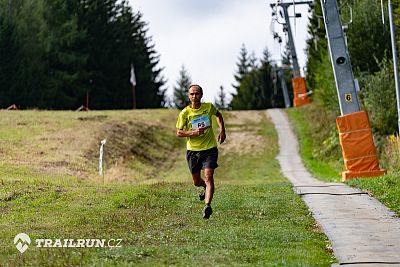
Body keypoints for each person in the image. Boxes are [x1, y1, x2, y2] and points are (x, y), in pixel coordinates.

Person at [176, 84, 226, 219]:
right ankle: (204, 187)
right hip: (193, 151)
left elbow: (219, 115)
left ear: (201, 95)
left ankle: (207, 206)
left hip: (209, 149)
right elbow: (179, 132)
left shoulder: (208, 107)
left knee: (209, 176)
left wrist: (222, 130)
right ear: (188, 96)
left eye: (197, 93)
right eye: (192, 94)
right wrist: (193, 132)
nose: (194, 96)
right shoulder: (185, 113)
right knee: (196, 181)